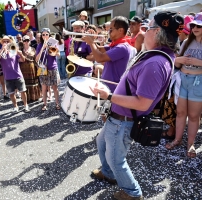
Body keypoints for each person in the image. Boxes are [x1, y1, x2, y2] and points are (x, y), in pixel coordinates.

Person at [85, 11, 183, 200]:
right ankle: (108, 173)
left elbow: (143, 102)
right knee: (101, 142)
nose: (142, 32)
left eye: (147, 28)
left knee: (117, 159)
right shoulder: (156, 56)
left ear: (157, 32)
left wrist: (109, 96)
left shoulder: (156, 63)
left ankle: (132, 192)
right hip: (118, 116)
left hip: (124, 119)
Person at [165, 12, 202, 158]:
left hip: (198, 82)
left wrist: (196, 62)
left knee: (193, 116)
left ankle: (190, 144)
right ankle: (177, 140)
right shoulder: (187, 42)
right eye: (193, 25)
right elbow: (175, 60)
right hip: (183, 80)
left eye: (199, 25)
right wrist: (181, 60)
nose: (195, 27)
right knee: (180, 113)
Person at [83, 16, 136, 93]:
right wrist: (93, 39)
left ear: (120, 30)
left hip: (113, 89)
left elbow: (99, 58)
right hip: (107, 86)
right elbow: (99, 49)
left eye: (111, 29)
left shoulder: (122, 47)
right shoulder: (116, 44)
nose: (108, 32)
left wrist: (91, 43)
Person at [0, 36, 30, 112]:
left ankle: (26, 105)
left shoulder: (13, 50)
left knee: (23, 91)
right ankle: (15, 106)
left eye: (7, 41)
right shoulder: (0, 52)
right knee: (11, 93)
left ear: (10, 42)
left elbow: (23, 60)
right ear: (2, 43)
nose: (6, 42)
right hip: (8, 76)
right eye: (4, 41)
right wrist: (2, 49)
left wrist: (20, 54)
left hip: (18, 74)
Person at [35, 28, 60, 111]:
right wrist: (43, 48)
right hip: (42, 67)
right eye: (43, 35)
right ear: (41, 36)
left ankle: (57, 103)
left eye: (47, 34)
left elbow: (58, 54)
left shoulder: (53, 44)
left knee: (55, 87)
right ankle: (45, 104)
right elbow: (36, 59)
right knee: (44, 88)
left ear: (49, 35)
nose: (45, 36)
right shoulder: (39, 45)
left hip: (52, 67)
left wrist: (51, 48)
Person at [19, 35, 41, 101]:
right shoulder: (20, 50)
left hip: (32, 68)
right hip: (23, 68)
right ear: (23, 42)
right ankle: (27, 98)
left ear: (30, 41)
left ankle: (35, 97)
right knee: (25, 83)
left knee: (34, 82)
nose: (26, 42)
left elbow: (36, 59)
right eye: (24, 40)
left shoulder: (33, 49)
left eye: (27, 40)